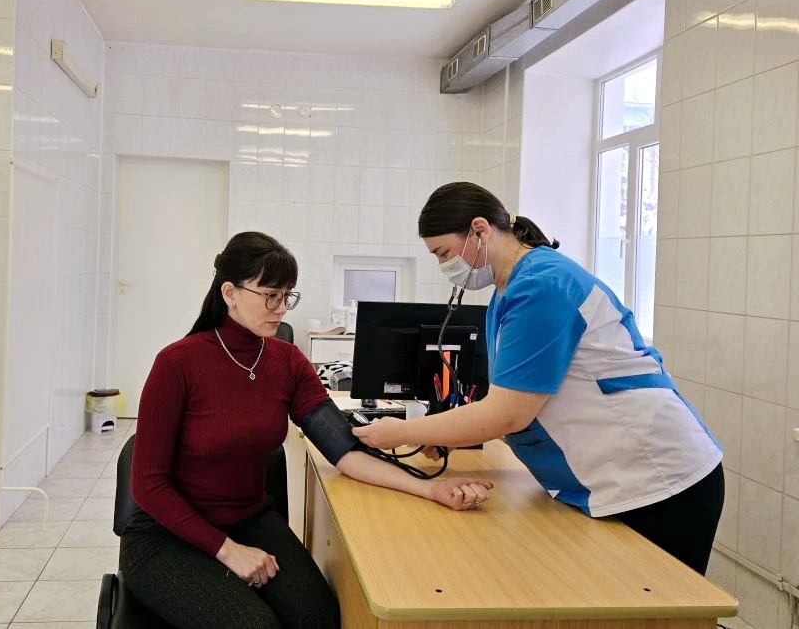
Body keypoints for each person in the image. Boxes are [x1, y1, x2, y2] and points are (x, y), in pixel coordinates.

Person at [122, 231, 493, 629]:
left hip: (247, 519)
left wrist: (430, 489)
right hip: (166, 535)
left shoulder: (287, 361)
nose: (282, 308)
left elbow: (344, 451)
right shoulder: (177, 364)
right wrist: (227, 550)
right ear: (230, 293)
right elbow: (148, 485)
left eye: (287, 296)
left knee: (318, 616)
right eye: (270, 295)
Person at [353, 182, 724, 576]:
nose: (445, 266)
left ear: (480, 230)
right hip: (614, 477)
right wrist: (446, 432)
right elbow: (520, 399)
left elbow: (508, 413)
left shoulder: (541, 286)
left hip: (656, 477)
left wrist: (400, 432)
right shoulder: (510, 290)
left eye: (444, 253)